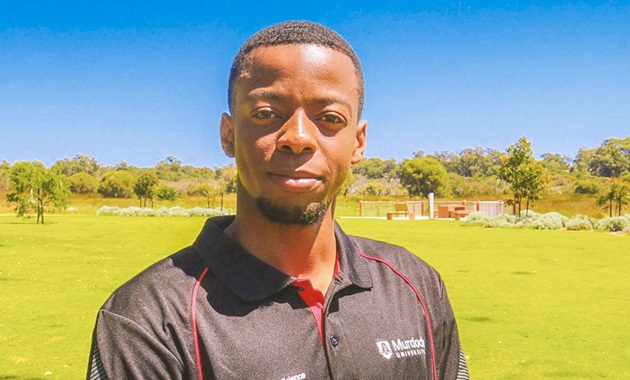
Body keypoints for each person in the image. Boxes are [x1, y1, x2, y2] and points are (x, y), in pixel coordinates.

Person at [87, 20, 470, 380]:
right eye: (267, 113)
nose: (298, 137)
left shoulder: (416, 285)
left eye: (331, 118)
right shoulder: (148, 318)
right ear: (228, 134)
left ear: (358, 141)